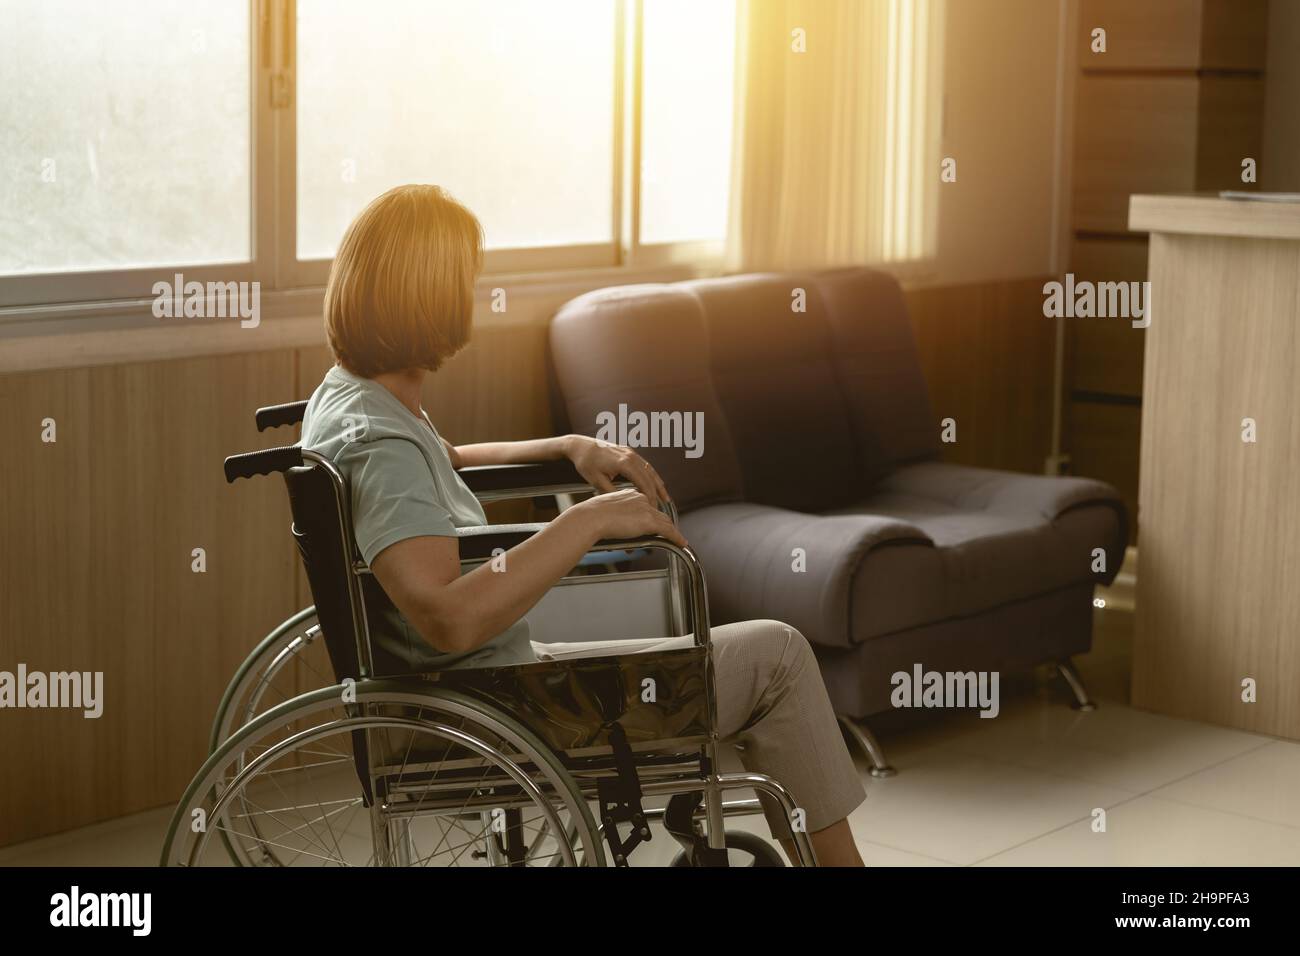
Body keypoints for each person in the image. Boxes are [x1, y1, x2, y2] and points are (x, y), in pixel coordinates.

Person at [301, 184, 866, 866]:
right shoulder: (382, 445)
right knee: (777, 655)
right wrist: (591, 521)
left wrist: (565, 446)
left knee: (732, 650)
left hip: (485, 687)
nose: (472, 300)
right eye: (466, 284)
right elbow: (446, 619)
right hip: (502, 709)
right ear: (430, 297)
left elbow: (446, 465)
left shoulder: (355, 400)